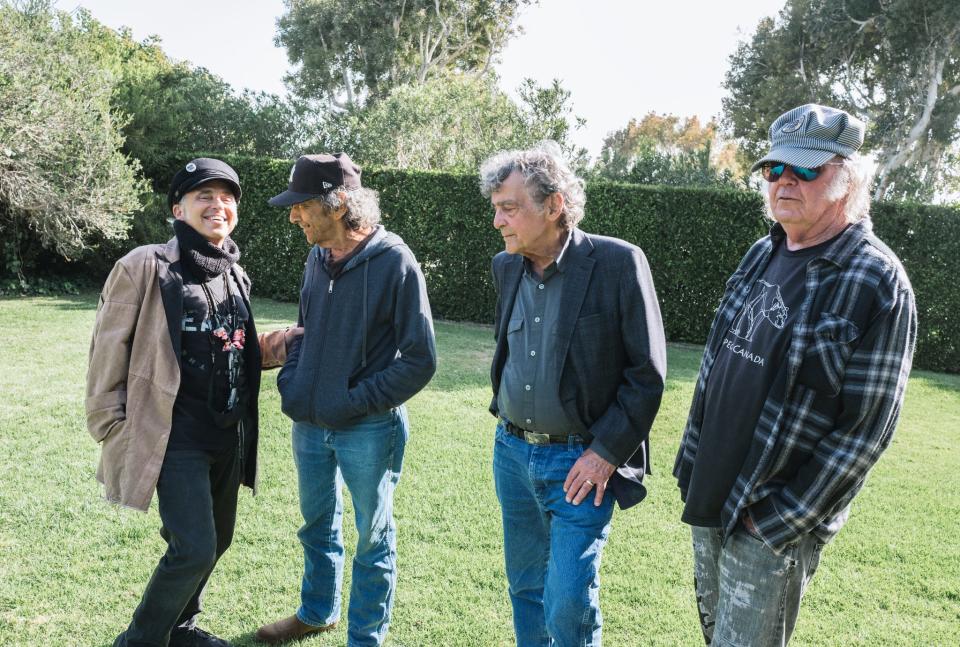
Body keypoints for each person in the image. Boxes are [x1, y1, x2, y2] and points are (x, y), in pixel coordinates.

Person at [673, 104, 918, 646]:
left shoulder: (877, 279)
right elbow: (718, 366)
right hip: (714, 491)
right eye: (773, 168)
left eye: (806, 170)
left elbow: (865, 432)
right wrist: (693, 463)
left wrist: (779, 522)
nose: (785, 180)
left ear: (847, 179)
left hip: (770, 517)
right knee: (716, 637)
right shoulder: (763, 252)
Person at [86, 158, 299, 647]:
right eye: (204, 196)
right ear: (178, 209)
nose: (217, 205)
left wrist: (283, 343)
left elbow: (232, 345)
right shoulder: (145, 266)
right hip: (171, 434)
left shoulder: (235, 273)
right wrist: (109, 424)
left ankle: (180, 629)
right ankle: (138, 641)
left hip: (226, 433)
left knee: (217, 542)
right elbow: (107, 347)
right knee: (194, 548)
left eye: (226, 197)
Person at [479, 143, 667, 647]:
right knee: (525, 587)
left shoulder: (618, 263)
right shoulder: (507, 266)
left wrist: (605, 454)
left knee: (567, 600)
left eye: (509, 208)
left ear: (554, 204)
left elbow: (646, 375)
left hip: (581, 465)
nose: (498, 221)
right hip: (512, 456)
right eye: (496, 208)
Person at [255, 153, 436, 646]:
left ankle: (365, 638)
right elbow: (304, 330)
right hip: (309, 424)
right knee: (316, 526)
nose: (294, 215)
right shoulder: (316, 256)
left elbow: (420, 359)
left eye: (302, 206)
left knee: (372, 541)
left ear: (337, 205)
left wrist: (354, 402)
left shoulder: (396, 261)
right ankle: (317, 612)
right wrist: (294, 380)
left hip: (368, 428)